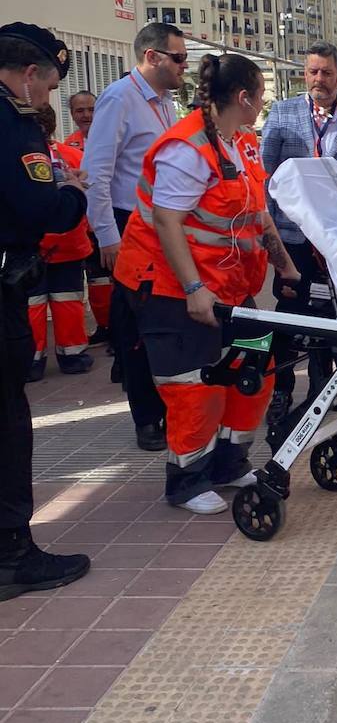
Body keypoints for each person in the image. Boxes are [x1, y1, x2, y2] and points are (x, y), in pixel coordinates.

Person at [115, 54, 301, 514]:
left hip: (232, 287)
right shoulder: (187, 148)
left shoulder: (242, 143)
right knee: (193, 386)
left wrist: (285, 265)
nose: (261, 105)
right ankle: (186, 479)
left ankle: (228, 462)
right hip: (172, 289)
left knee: (253, 372)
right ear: (243, 98)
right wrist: (195, 288)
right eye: (260, 96)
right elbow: (167, 221)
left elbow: (257, 213)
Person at [0, 22, 91, 600]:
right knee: (8, 422)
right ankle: (12, 553)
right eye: (52, 86)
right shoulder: (15, 125)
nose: (49, 100)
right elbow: (41, 206)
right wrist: (74, 192)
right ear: (30, 75)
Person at [83, 24, 187, 451]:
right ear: (152, 56)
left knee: (163, 318)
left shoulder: (164, 104)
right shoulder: (119, 99)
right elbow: (96, 174)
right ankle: (147, 417)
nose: (184, 66)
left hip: (161, 225)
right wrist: (108, 236)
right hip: (129, 227)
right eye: (178, 58)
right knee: (136, 326)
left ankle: (168, 407)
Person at [261, 42, 337, 423]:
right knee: (289, 314)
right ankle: (282, 388)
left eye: (326, 72)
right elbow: (267, 176)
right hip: (291, 240)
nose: (318, 79)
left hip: (334, 242)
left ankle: (325, 390)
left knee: (332, 316)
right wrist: (272, 232)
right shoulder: (282, 112)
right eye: (312, 72)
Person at [26, 105, 94, 379]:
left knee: (32, 302)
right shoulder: (74, 155)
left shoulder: (21, 157)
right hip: (69, 241)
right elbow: (86, 201)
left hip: (33, 244)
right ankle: (73, 355)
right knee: (68, 300)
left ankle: (33, 360)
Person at [63, 90, 111, 346]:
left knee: (116, 280)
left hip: (112, 222)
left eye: (91, 109)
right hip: (85, 228)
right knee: (96, 280)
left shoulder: (112, 138)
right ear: (72, 114)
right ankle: (104, 326)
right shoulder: (67, 146)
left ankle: (118, 329)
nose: (86, 115)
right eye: (80, 111)